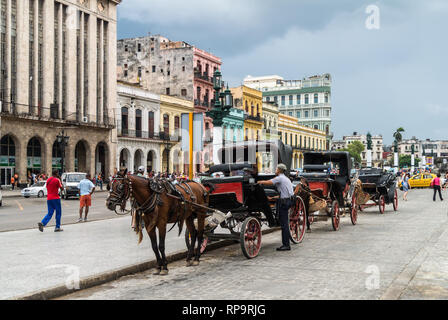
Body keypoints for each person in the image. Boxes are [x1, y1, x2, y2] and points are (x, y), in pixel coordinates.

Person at [257, 163, 294, 251]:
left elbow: (269, 182)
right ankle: (286, 241)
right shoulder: (286, 178)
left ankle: (286, 245)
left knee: (284, 224)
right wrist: (273, 198)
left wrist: (259, 182)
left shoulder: (280, 178)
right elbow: (284, 193)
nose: (275, 170)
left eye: (276, 169)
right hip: (289, 200)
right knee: (284, 222)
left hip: (284, 202)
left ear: (279, 170)